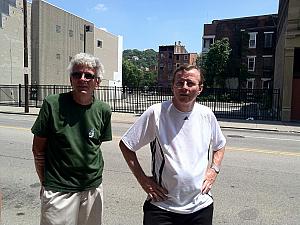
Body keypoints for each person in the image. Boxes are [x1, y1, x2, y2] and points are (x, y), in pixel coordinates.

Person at [119, 64, 226, 225]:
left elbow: (220, 145)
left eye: (190, 83)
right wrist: (143, 180)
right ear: (172, 87)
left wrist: (214, 170)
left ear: (200, 88)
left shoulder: (207, 115)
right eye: (179, 83)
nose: (184, 88)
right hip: (162, 207)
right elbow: (126, 145)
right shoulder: (156, 112)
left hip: (200, 207)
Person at [31, 53, 112, 225]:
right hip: (59, 191)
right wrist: (46, 183)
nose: (82, 79)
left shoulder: (103, 110)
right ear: (71, 79)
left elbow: (95, 146)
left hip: (92, 189)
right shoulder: (52, 104)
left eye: (89, 75)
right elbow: (38, 149)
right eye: (77, 74)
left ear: (97, 82)